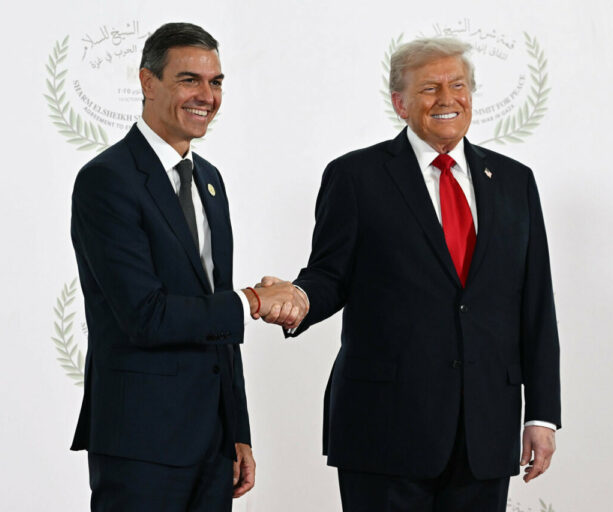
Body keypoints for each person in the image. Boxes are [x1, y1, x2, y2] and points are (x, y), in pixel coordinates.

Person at [260, 38, 561, 511]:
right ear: (400, 103)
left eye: (458, 85)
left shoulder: (514, 181)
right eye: (429, 88)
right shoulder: (356, 176)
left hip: (485, 430)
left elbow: (536, 304)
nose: (447, 99)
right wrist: (298, 297)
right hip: (385, 430)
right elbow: (330, 275)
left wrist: (541, 415)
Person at [69, 22, 301, 511]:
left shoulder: (210, 181)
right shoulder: (106, 181)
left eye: (215, 82)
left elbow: (219, 324)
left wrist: (237, 430)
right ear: (148, 82)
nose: (207, 96)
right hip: (140, 443)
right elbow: (146, 315)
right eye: (189, 79)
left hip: (213, 445)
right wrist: (253, 301)